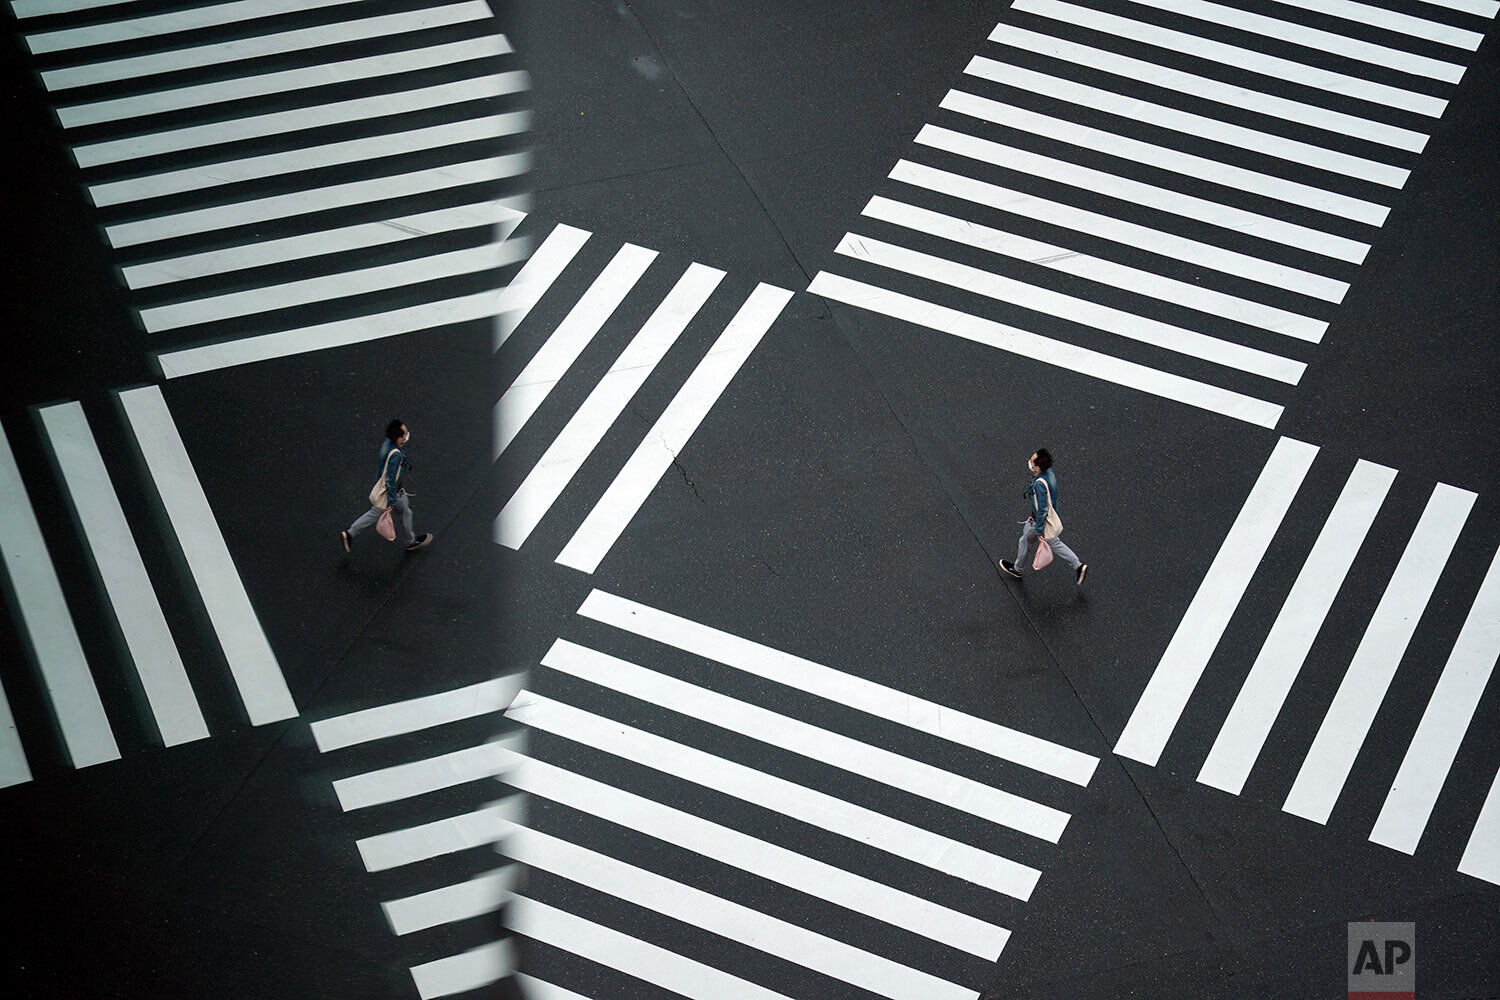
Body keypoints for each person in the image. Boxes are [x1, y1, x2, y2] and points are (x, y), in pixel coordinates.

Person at [341, 419, 433, 553]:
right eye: (405, 434)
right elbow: (391, 479)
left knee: (376, 512)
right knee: (405, 512)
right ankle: (410, 541)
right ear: (398, 438)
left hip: (385, 488)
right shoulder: (396, 455)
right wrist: (392, 499)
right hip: (394, 492)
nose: (407, 435)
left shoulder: (387, 445)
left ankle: (351, 533)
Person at [1000, 448, 1087, 585]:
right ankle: (1077, 565)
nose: (1029, 462)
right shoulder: (1049, 474)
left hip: (1039, 521)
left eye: (1032, 461)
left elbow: (1042, 509)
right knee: (1040, 541)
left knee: (1029, 540)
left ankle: (1018, 569)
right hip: (1048, 517)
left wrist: (1039, 528)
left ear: (1038, 467)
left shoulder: (1039, 485)